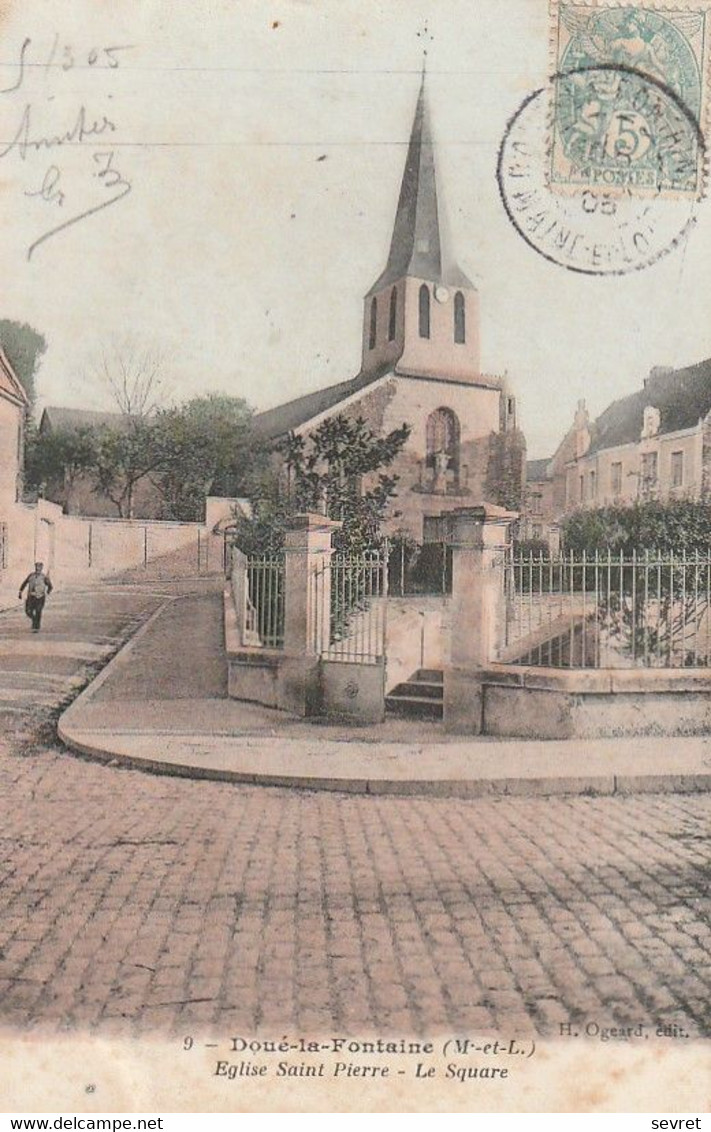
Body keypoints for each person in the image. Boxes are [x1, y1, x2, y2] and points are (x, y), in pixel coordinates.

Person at [18, 561, 53, 632]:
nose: (38, 569)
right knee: (28, 611)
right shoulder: (31, 576)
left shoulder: (44, 577)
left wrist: (48, 591)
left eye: (39, 568)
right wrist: (20, 591)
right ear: (35, 568)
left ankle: (36, 626)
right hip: (31, 597)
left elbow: (50, 586)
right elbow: (24, 583)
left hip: (40, 597)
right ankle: (34, 620)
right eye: (37, 567)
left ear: (41, 568)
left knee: (38, 611)